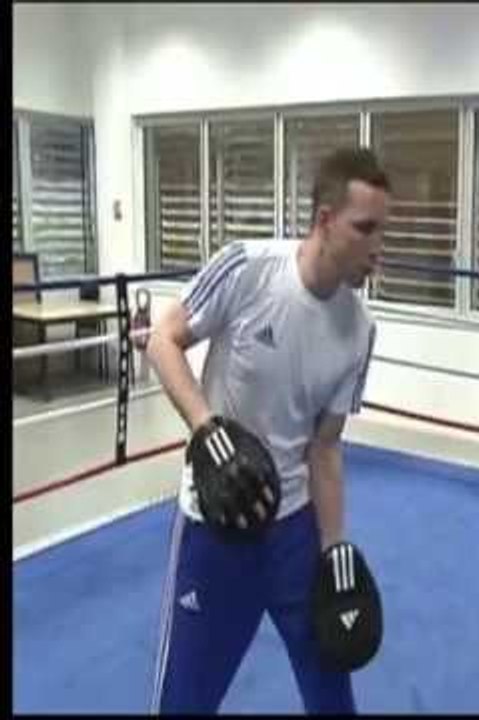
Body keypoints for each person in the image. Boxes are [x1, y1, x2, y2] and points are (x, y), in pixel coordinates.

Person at [146, 147, 390, 714]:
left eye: (384, 229)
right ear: (326, 221)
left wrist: (334, 551)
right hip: (216, 525)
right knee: (182, 703)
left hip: (293, 533)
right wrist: (207, 430)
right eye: (365, 228)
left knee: (333, 698)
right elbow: (163, 341)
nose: (378, 247)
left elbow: (325, 448)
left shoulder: (359, 330)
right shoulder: (248, 268)